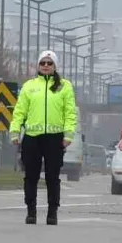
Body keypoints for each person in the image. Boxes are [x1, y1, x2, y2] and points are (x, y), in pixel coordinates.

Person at [9, 49, 78, 226]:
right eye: (43, 63)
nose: (46, 66)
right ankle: (31, 212)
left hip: (54, 139)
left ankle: (52, 213)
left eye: (49, 63)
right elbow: (19, 111)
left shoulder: (64, 86)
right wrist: (15, 131)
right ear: (38, 66)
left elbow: (69, 112)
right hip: (32, 137)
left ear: (55, 66)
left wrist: (69, 134)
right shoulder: (29, 86)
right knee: (30, 176)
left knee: (52, 177)